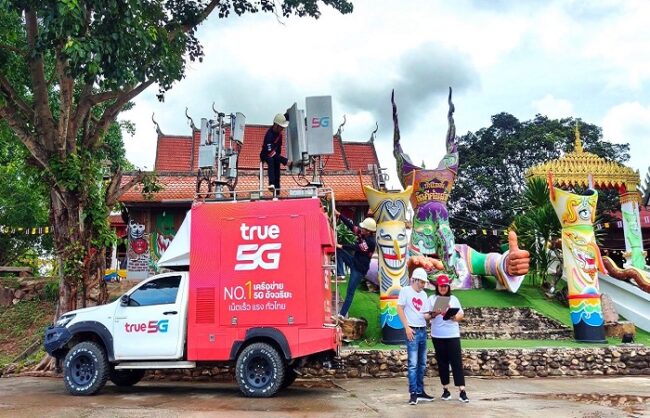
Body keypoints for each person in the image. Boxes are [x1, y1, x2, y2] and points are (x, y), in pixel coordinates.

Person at [426, 274, 469, 403]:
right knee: (442, 362)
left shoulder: (454, 299)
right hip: (438, 335)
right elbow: (426, 316)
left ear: (448, 287)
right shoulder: (432, 299)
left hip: (452, 334)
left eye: (445, 286)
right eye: (441, 286)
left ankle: (462, 391)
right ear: (437, 286)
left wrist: (454, 317)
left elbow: (461, 314)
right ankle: (445, 390)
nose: (443, 288)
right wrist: (435, 313)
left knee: (456, 362)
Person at [397, 267, 434, 405]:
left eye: (424, 282)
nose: (423, 285)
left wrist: (433, 314)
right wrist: (406, 327)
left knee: (422, 363)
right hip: (412, 329)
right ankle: (413, 393)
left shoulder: (424, 295)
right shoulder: (405, 291)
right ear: (415, 280)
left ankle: (420, 391)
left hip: (422, 329)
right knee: (413, 364)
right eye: (422, 282)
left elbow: (424, 315)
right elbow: (399, 308)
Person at [335, 209, 376, 317]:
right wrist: (339, 215)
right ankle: (341, 273)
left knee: (350, 291)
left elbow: (356, 247)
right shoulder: (362, 234)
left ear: (368, 231)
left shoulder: (371, 242)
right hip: (353, 262)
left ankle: (342, 314)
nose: (361, 229)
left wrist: (342, 245)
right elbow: (351, 226)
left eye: (363, 228)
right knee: (338, 252)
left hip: (359, 270)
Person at [260, 113, 292, 191]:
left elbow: (278, 149)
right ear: (276, 125)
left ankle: (277, 190)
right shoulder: (269, 135)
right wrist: (285, 161)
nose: (282, 129)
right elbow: (270, 153)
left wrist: (280, 159)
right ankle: (271, 184)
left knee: (277, 165)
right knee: (271, 160)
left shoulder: (279, 135)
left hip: (275, 154)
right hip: (266, 154)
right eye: (281, 127)